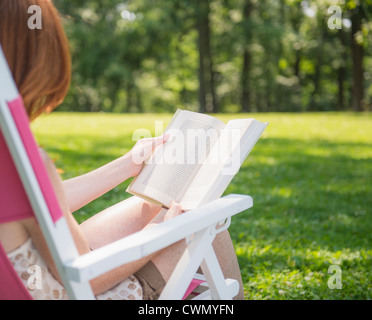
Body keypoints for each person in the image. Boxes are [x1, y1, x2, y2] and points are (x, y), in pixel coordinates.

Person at [0, 0, 244, 300]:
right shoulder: (26, 163)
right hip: (81, 290)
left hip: (32, 275)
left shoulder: (12, 165)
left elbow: (35, 201)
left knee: (159, 203)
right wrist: (161, 233)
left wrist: (127, 164)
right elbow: (87, 279)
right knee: (203, 212)